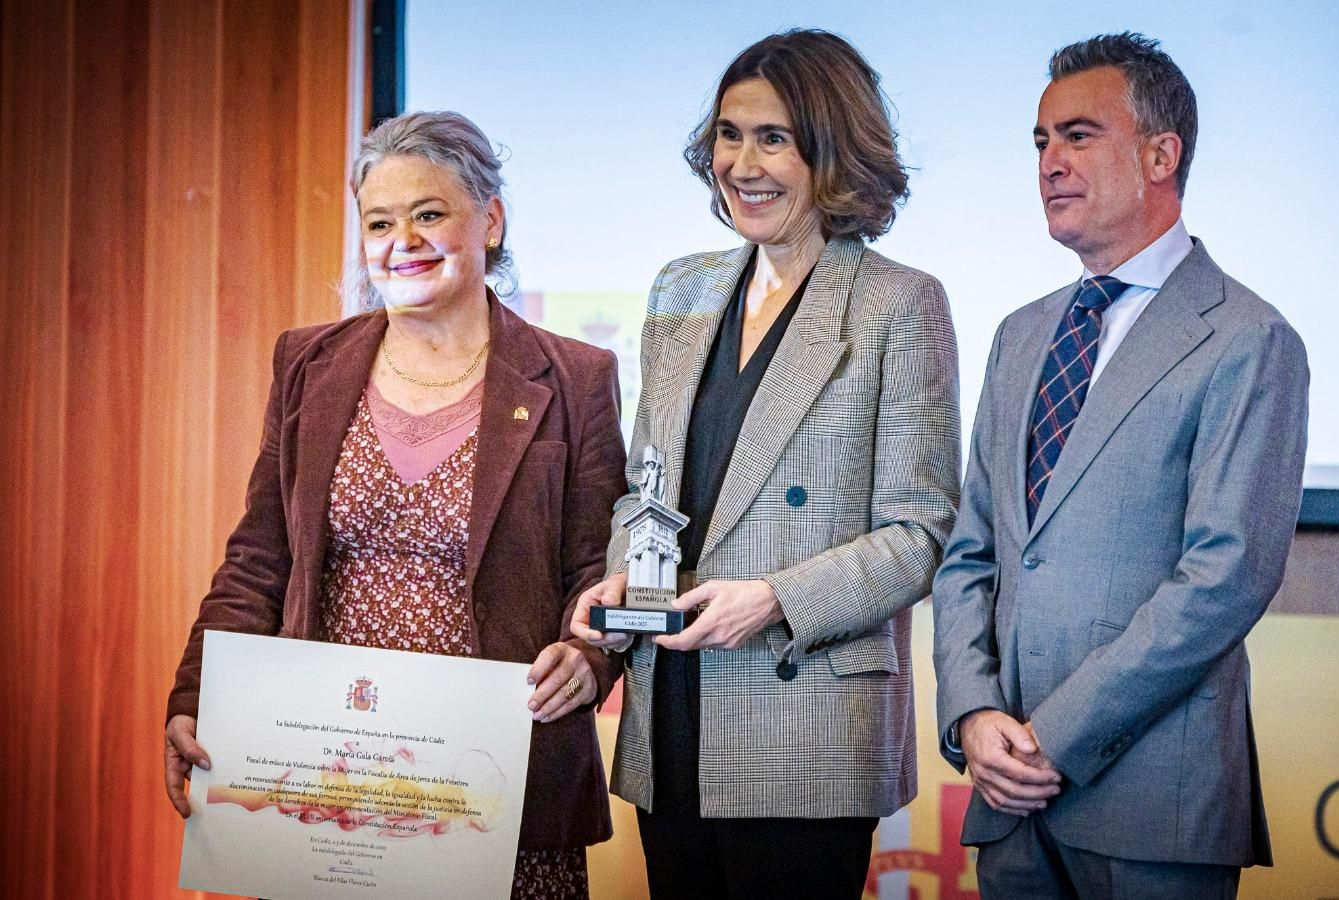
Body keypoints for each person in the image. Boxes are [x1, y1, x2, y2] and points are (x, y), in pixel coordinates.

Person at [162, 111, 627, 899]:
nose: (401, 241)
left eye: (429, 214)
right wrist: (196, 695)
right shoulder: (309, 363)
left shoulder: (573, 376)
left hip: (493, 781)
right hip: (324, 771)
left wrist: (590, 658)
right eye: (380, 221)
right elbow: (260, 555)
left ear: (491, 219)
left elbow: (597, 565)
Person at [570, 28, 961, 900]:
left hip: (804, 724)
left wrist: (776, 600)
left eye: (774, 138)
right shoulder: (682, 289)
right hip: (670, 711)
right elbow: (648, 492)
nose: (742, 163)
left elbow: (923, 532)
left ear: (833, 151)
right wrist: (612, 589)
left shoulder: (901, 303)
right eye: (729, 134)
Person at [933, 32, 1310, 899]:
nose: (1050, 162)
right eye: (1040, 142)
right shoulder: (1022, 334)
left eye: (1077, 135)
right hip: (1009, 803)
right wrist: (974, 713)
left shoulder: (1249, 339)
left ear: (1159, 153)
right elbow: (973, 551)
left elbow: (1226, 576)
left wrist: (1053, 738)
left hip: (1154, 807)